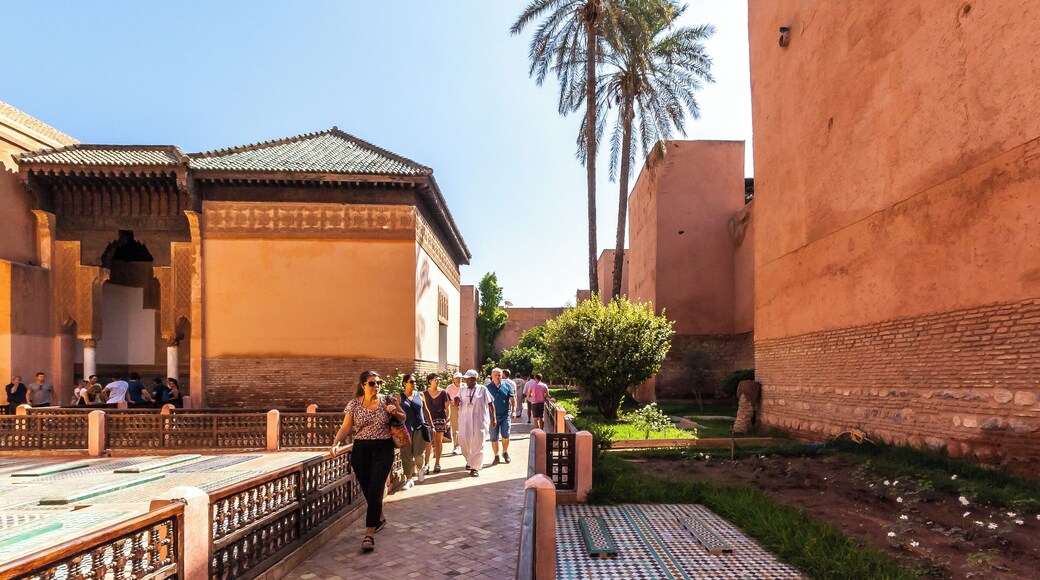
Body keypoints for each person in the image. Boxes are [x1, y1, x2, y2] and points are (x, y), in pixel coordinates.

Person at [330, 371, 404, 553]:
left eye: (379, 382)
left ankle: (369, 532)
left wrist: (395, 412)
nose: (376, 385)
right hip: (361, 448)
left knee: (376, 487)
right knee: (366, 486)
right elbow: (346, 427)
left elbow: (403, 418)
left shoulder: (387, 400)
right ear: (363, 385)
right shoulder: (354, 404)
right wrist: (335, 443)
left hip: (383, 448)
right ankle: (379, 516)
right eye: (372, 383)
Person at [453, 369, 496, 477]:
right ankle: (469, 461)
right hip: (465, 420)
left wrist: (493, 418)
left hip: (479, 421)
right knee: (463, 442)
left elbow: (490, 404)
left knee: (478, 443)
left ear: (473, 379)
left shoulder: (483, 389)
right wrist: (456, 401)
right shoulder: (462, 390)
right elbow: (456, 401)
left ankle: (475, 467)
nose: (465, 381)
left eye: (467, 379)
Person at [396, 374, 430, 488]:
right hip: (404, 429)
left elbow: (425, 410)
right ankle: (409, 479)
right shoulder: (399, 397)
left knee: (418, 454)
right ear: (405, 384)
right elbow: (395, 413)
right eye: (411, 382)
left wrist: (432, 425)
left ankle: (420, 469)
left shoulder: (420, 395)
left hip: (418, 428)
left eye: (415, 381)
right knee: (406, 455)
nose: (414, 383)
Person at [422, 372, 451, 473]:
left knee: (438, 442)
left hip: (440, 419)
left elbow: (447, 408)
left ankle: (437, 463)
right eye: (436, 379)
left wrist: (447, 420)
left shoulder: (443, 393)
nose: (438, 381)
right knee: (428, 442)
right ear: (430, 381)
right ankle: (426, 464)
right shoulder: (424, 394)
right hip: (428, 421)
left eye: (439, 380)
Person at [487, 368, 515, 465]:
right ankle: (496, 456)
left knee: (505, 434)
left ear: (502, 375)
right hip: (492, 416)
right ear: (492, 375)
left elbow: (512, 399)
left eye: (499, 375)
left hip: (505, 414)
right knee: (494, 437)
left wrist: (514, 411)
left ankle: (505, 452)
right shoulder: (487, 388)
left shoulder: (507, 386)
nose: (497, 377)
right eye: (495, 375)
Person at [445, 371, 463, 456]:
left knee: (464, 428)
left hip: (464, 408)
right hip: (453, 408)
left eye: (460, 378)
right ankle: (456, 446)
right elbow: (447, 400)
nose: (459, 380)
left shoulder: (464, 387)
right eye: (457, 378)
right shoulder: (449, 388)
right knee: (455, 428)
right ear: (453, 379)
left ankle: (464, 446)